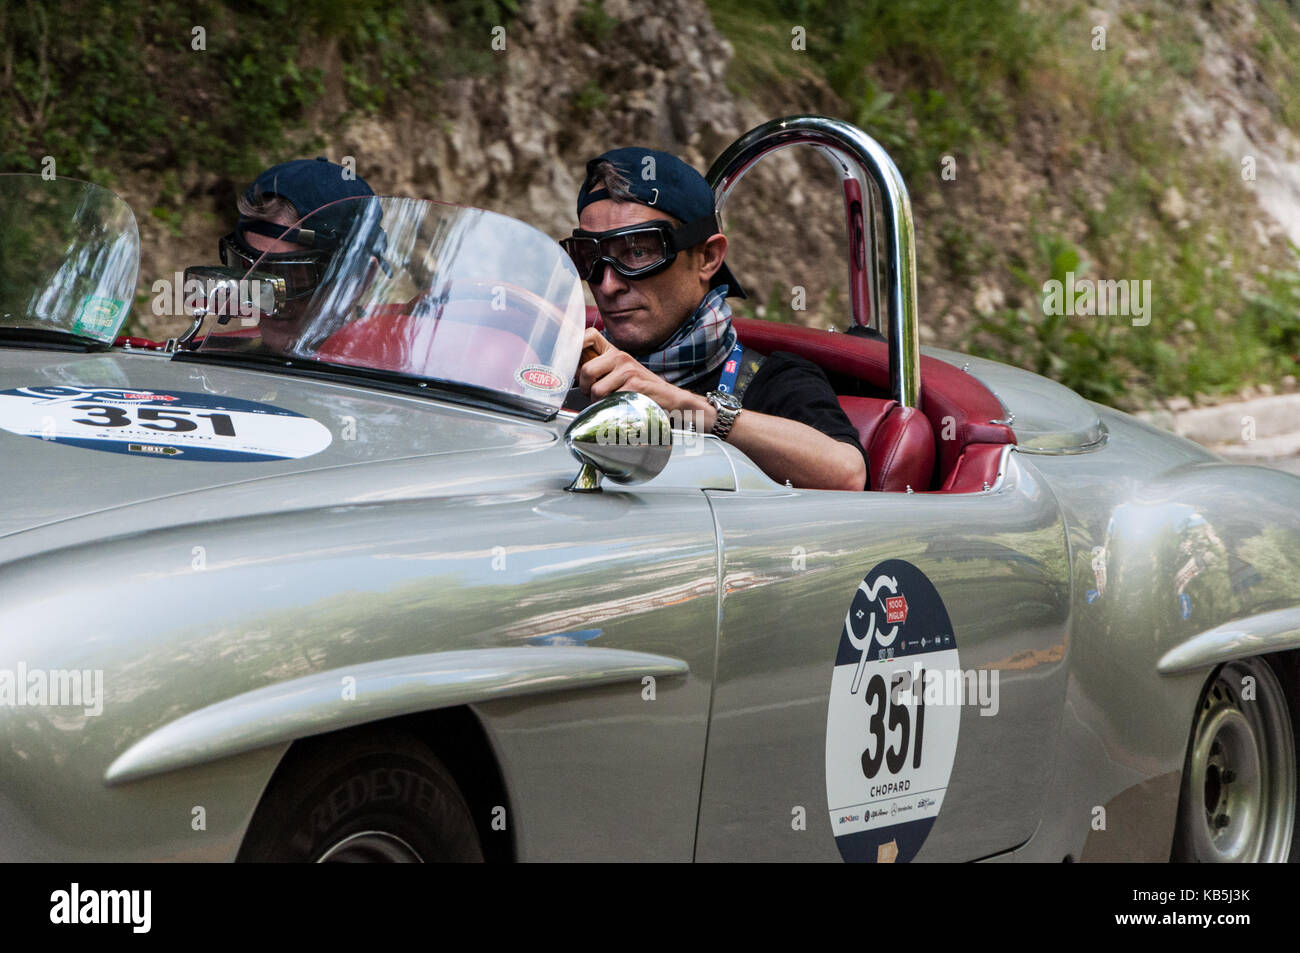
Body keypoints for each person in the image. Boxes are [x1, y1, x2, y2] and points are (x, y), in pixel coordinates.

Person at [561, 147, 869, 491]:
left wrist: (687, 407)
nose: (607, 284)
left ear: (707, 258)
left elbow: (847, 473)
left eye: (637, 252)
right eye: (589, 257)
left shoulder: (774, 381)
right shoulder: (568, 373)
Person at [210, 157, 381, 354]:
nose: (269, 299)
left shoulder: (401, 370)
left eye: (293, 277)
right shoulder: (219, 373)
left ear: (361, 277)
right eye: (251, 271)